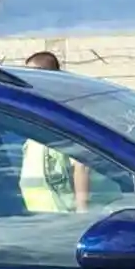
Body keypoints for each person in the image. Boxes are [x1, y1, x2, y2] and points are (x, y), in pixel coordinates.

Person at [19, 51, 90, 213]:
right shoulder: (38, 112)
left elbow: (81, 165)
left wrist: (82, 209)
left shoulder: (62, 114)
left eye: (32, 75)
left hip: (62, 212)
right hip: (41, 212)